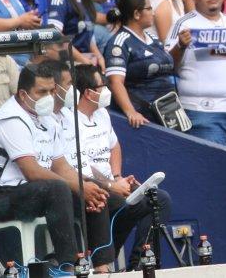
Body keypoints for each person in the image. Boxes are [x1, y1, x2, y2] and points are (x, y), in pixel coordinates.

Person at [0, 63, 108, 275]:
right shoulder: (10, 118)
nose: (49, 97)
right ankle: (68, 267)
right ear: (23, 94)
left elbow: (61, 167)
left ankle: (102, 266)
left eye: (51, 91)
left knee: (96, 192)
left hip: (25, 190)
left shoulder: (48, 119)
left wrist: (85, 187)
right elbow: (32, 171)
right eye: (42, 92)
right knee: (58, 189)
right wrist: (78, 188)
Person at [56, 64, 172, 271]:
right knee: (118, 203)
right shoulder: (66, 120)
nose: (106, 90)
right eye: (102, 85)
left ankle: (140, 264)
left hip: (112, 183)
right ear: (88, 93)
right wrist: (112, 185)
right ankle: (103, 264)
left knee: (159, 199)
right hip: (89, 186)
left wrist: (117, 176)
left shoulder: (102, 113)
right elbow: (81, 169)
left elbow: (114, 147)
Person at [165, 0, 226, 148]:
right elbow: (166, 64)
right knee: (212, 164)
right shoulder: (184, 24)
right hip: (202, 111)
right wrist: (180, 46)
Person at [105, 0, 178, 127]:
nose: (153, 13)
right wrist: (131, 112)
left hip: (168, 111)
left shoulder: (154, 39)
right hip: (143, 116)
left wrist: (181, 46)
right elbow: (115, 82)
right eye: (149, 9)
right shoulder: (120, 42)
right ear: (137, 14)